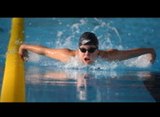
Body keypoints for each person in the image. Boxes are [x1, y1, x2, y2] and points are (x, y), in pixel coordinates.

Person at [19, 32, 156, 65]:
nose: (87, 53)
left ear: (98, 50)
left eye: (91, 50)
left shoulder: (108, 56)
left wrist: (151, 51)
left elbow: (134, 52)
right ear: (78, 49)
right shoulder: (69, 56)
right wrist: (24, 46)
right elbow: (44, 50)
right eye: (83, 49)